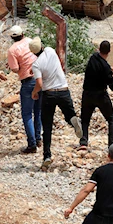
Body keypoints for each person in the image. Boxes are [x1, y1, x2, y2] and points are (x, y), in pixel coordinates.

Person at [30, 37, 82, 171]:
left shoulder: (36, 64)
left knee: (47, 126)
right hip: (64, 90)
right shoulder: (50, 51)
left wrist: (34, 93)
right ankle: (73, 121)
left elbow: (40, 83)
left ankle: (47, 156)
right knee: (69, 114)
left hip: (49, 94)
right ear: (41, 46)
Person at [6, 25, 42, 154]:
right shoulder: (30, 42)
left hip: (27, 81)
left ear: (11, 37)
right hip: (40, 79)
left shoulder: (12, 50)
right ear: (23, 33)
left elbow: (15, 69)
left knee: (27, 114)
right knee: (38, 111)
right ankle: (38, 139)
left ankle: (32, 145)